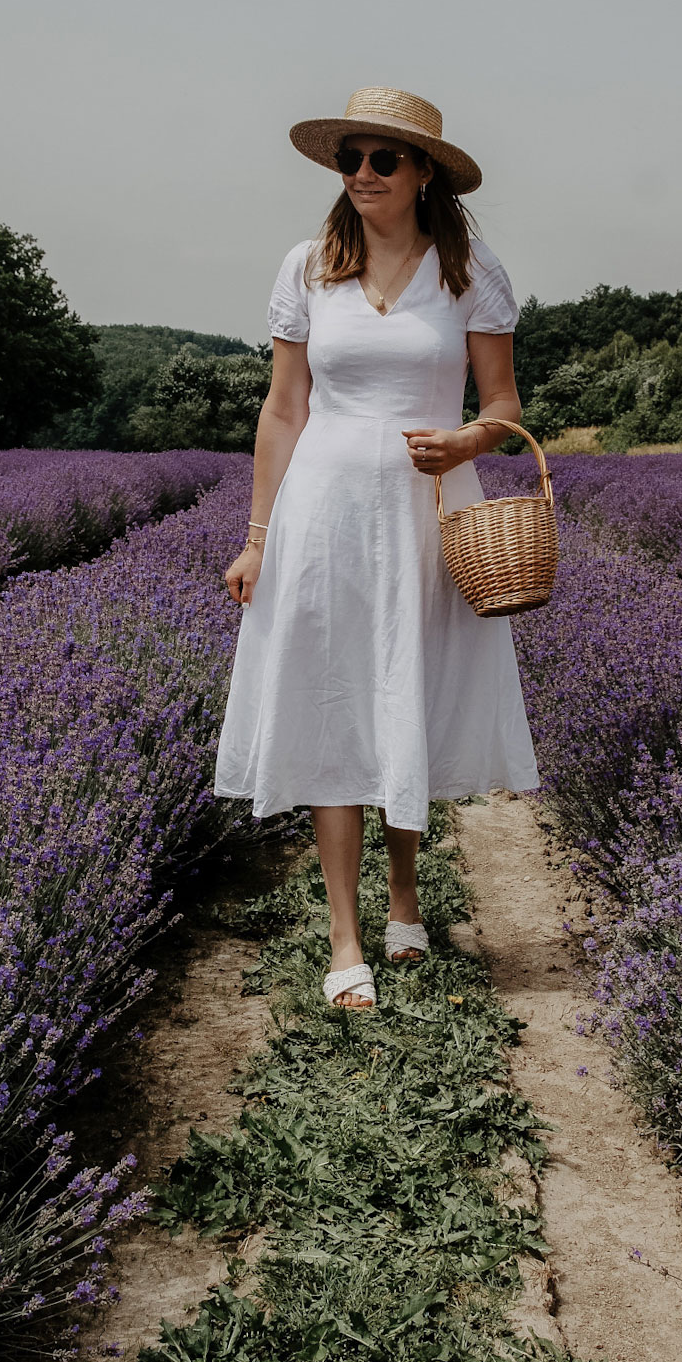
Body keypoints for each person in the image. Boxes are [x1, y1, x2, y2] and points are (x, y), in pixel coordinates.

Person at [214, 87, 539, 1008]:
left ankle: (406, 896)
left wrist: (473, 439)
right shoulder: (307, 266)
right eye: (350, 158)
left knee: (408, 692)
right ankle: (345, 937)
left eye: (382, 159)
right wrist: (256, 538)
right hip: (321, 510)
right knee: (331, 703)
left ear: (423, 171)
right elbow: (283, 410)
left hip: (426, 507)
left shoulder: (469, 271)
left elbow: (504, 405)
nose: (361, 173)